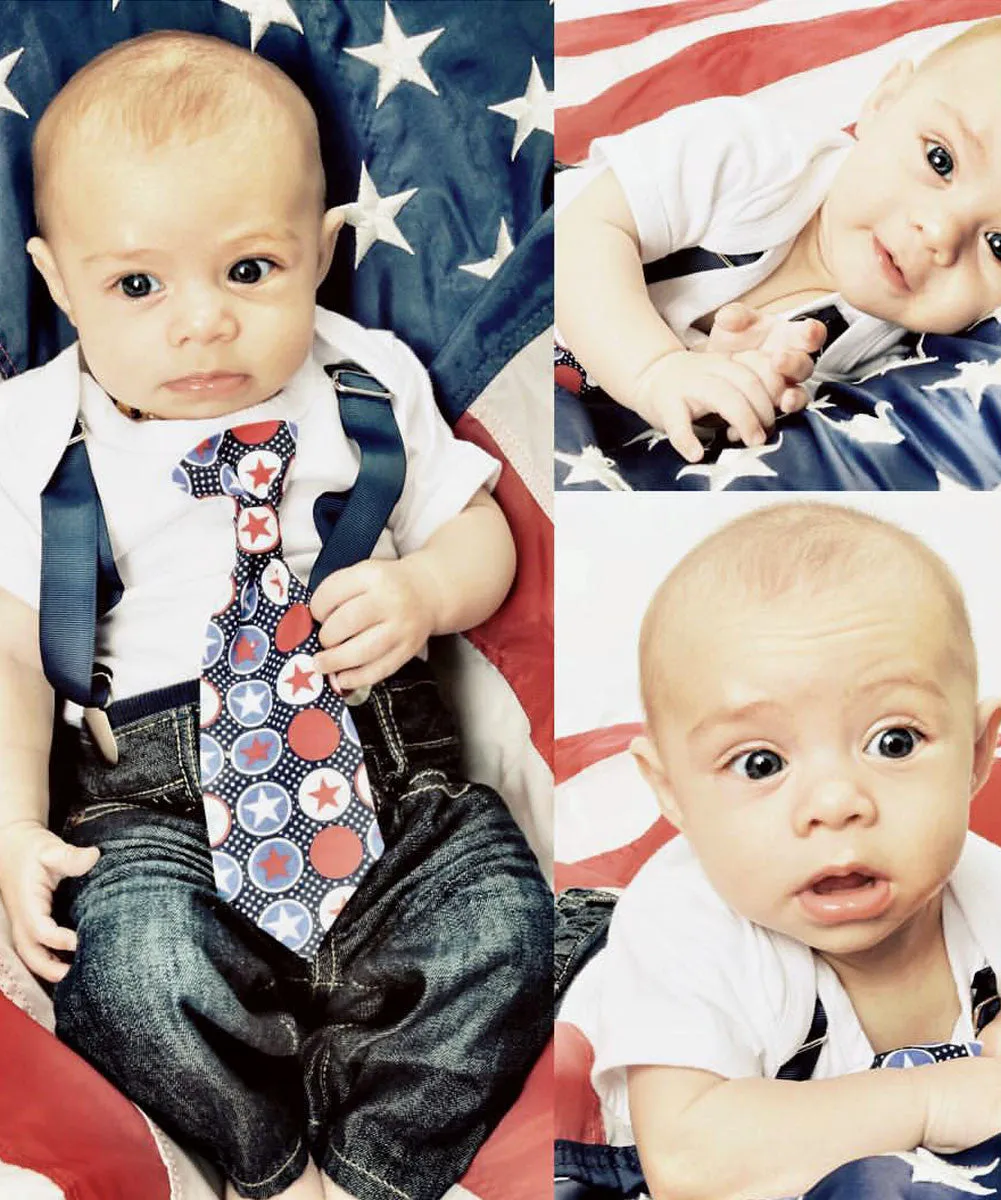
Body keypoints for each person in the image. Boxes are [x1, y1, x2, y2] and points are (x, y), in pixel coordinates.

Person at [0, 30, 551, 1200]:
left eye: (250, 270)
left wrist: (424, 592)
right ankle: (262, 1163)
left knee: (502, 926)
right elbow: (7, 648)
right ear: (57, 284)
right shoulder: (36, 431)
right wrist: (11, 821)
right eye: (136, 284)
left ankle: (373, 1163)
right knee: (132, 967)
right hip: (153, 799)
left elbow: (480, 531)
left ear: (320, 253)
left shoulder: (365, 375)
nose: (200, 322)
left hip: (388, 777)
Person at [590, 503, 1001, 1200]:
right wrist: (935, 1099)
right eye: (758, 763)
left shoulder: (985, 888)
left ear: (977, 754)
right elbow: (689, 1164)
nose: (834, 802)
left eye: (893, 742)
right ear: (672, 794)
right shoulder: (683, 922)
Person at [555, 18, 1001, 463]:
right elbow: (582, 233)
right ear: (884, 102)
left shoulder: (880, 358)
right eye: (940, 159)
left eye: (998, 243)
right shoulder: (750, 154)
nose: (940, 233)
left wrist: (727, 385)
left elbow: (696, 417)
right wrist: (655, 370)